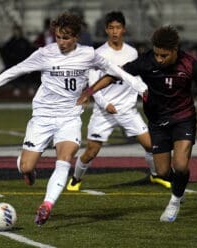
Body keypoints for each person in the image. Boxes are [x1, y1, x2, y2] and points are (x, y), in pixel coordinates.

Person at [0, 12, 147, 226]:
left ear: (75, 37)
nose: (61, 42)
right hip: (43, 116)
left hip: (69, 117)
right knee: (26, 167)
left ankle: (47, 205)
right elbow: (14, 72)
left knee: (64, 160)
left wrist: (138, 85)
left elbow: (116, 71)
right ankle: (27, 169)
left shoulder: (88, 54)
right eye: (58, 37)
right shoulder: (44, 54)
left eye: (66, 38)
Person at [78, 26, 197, 222]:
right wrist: (90, 91)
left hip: (183, 118)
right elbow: (114, 75)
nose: (159, 59)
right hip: (157, 122)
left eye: (164, 55)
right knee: (162, 172)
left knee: (180, 165)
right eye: (157, 54)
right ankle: (179, 188)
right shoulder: (146, 61)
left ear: (175, 50)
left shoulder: (189, 64)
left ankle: (175, 200)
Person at [67, 11, 170, 192]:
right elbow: (93, 83)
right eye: (111, 28)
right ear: (106, 30)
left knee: (150, 145)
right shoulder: (98, 54)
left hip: (128, 110)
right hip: (104, 112)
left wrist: (145, 92)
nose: (115, 31)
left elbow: (137, 76)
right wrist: (105, 104)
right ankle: (75, 178)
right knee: (91, 152)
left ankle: (155, 175)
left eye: (118, 28)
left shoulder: (132, 52)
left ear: (124, 29)